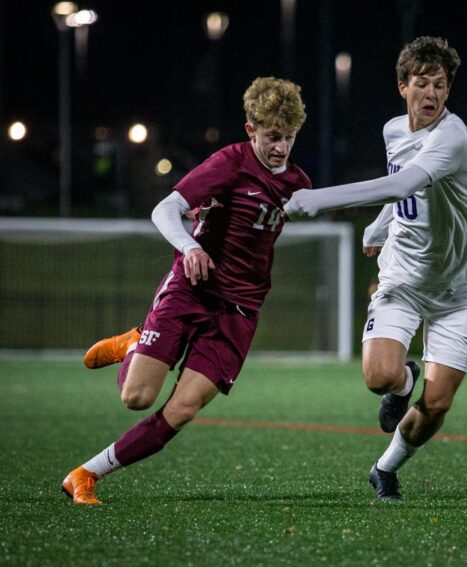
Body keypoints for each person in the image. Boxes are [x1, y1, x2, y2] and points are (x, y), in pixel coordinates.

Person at [61, 77, 311, 504]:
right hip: (192, 289)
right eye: (272, 137)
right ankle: (135, 343)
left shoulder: (298, 182)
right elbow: (166, 209)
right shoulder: (228, 163)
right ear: (251, 130)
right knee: (136, 397)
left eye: (289, 138)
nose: (281, 148)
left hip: (240, 311)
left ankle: (85, 475)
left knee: (182, 410)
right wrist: (191, 246)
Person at [284, 36, 467, 501]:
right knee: (379, 378)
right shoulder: (394, 130)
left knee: (436, 405)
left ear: (448, 91)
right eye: (421, 83)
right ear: (402, 86)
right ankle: (406, 378)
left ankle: (385, 468)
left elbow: (403, 183)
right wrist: (380, 226)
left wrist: (320, 199)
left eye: (439, 84)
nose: (430, 94)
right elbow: (408, 196)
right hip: (403, 278)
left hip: (457, 289)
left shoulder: (452, 138)